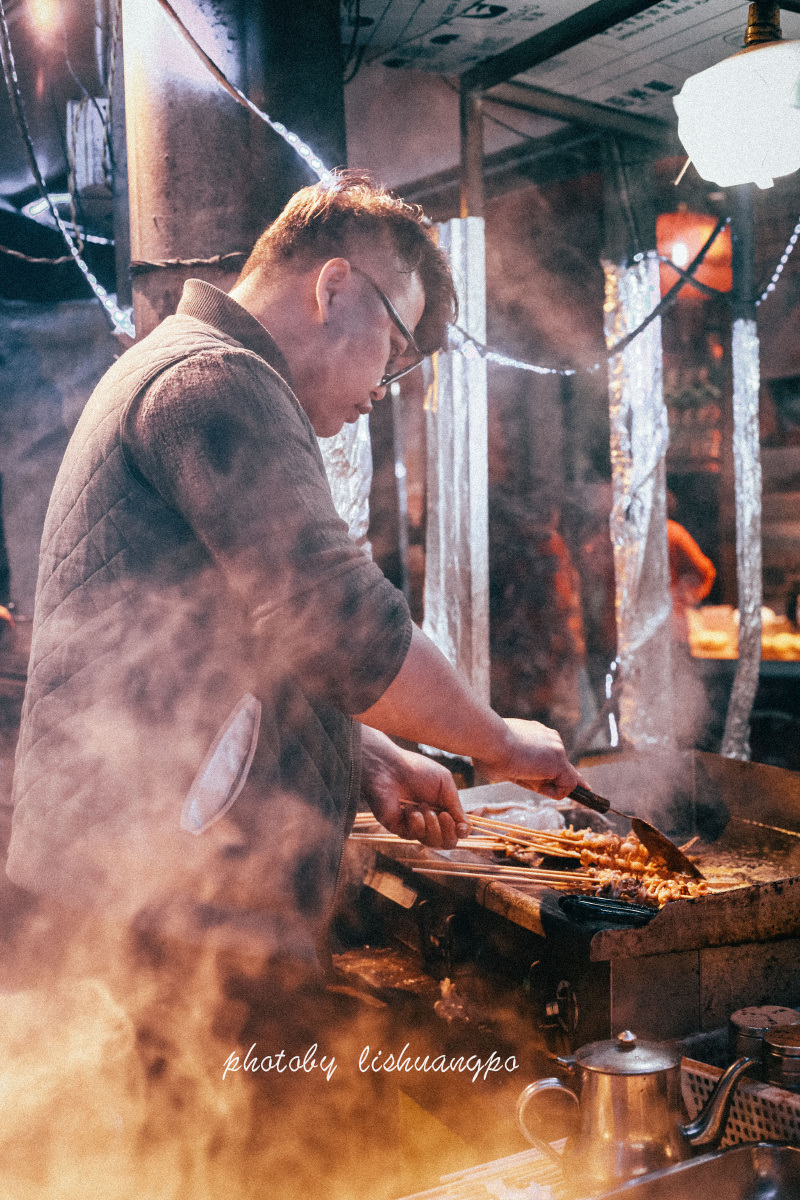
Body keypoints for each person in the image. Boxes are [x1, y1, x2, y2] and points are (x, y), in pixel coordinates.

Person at [8, 173, 582, 973]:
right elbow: (342, 624)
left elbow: (243, 644)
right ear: (334, 288)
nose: (381, 394)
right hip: (150, 917)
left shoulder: (197, 370)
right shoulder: (213, 379)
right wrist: (499, 742)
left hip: (148, 899)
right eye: (391, 353)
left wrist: (368, 756)